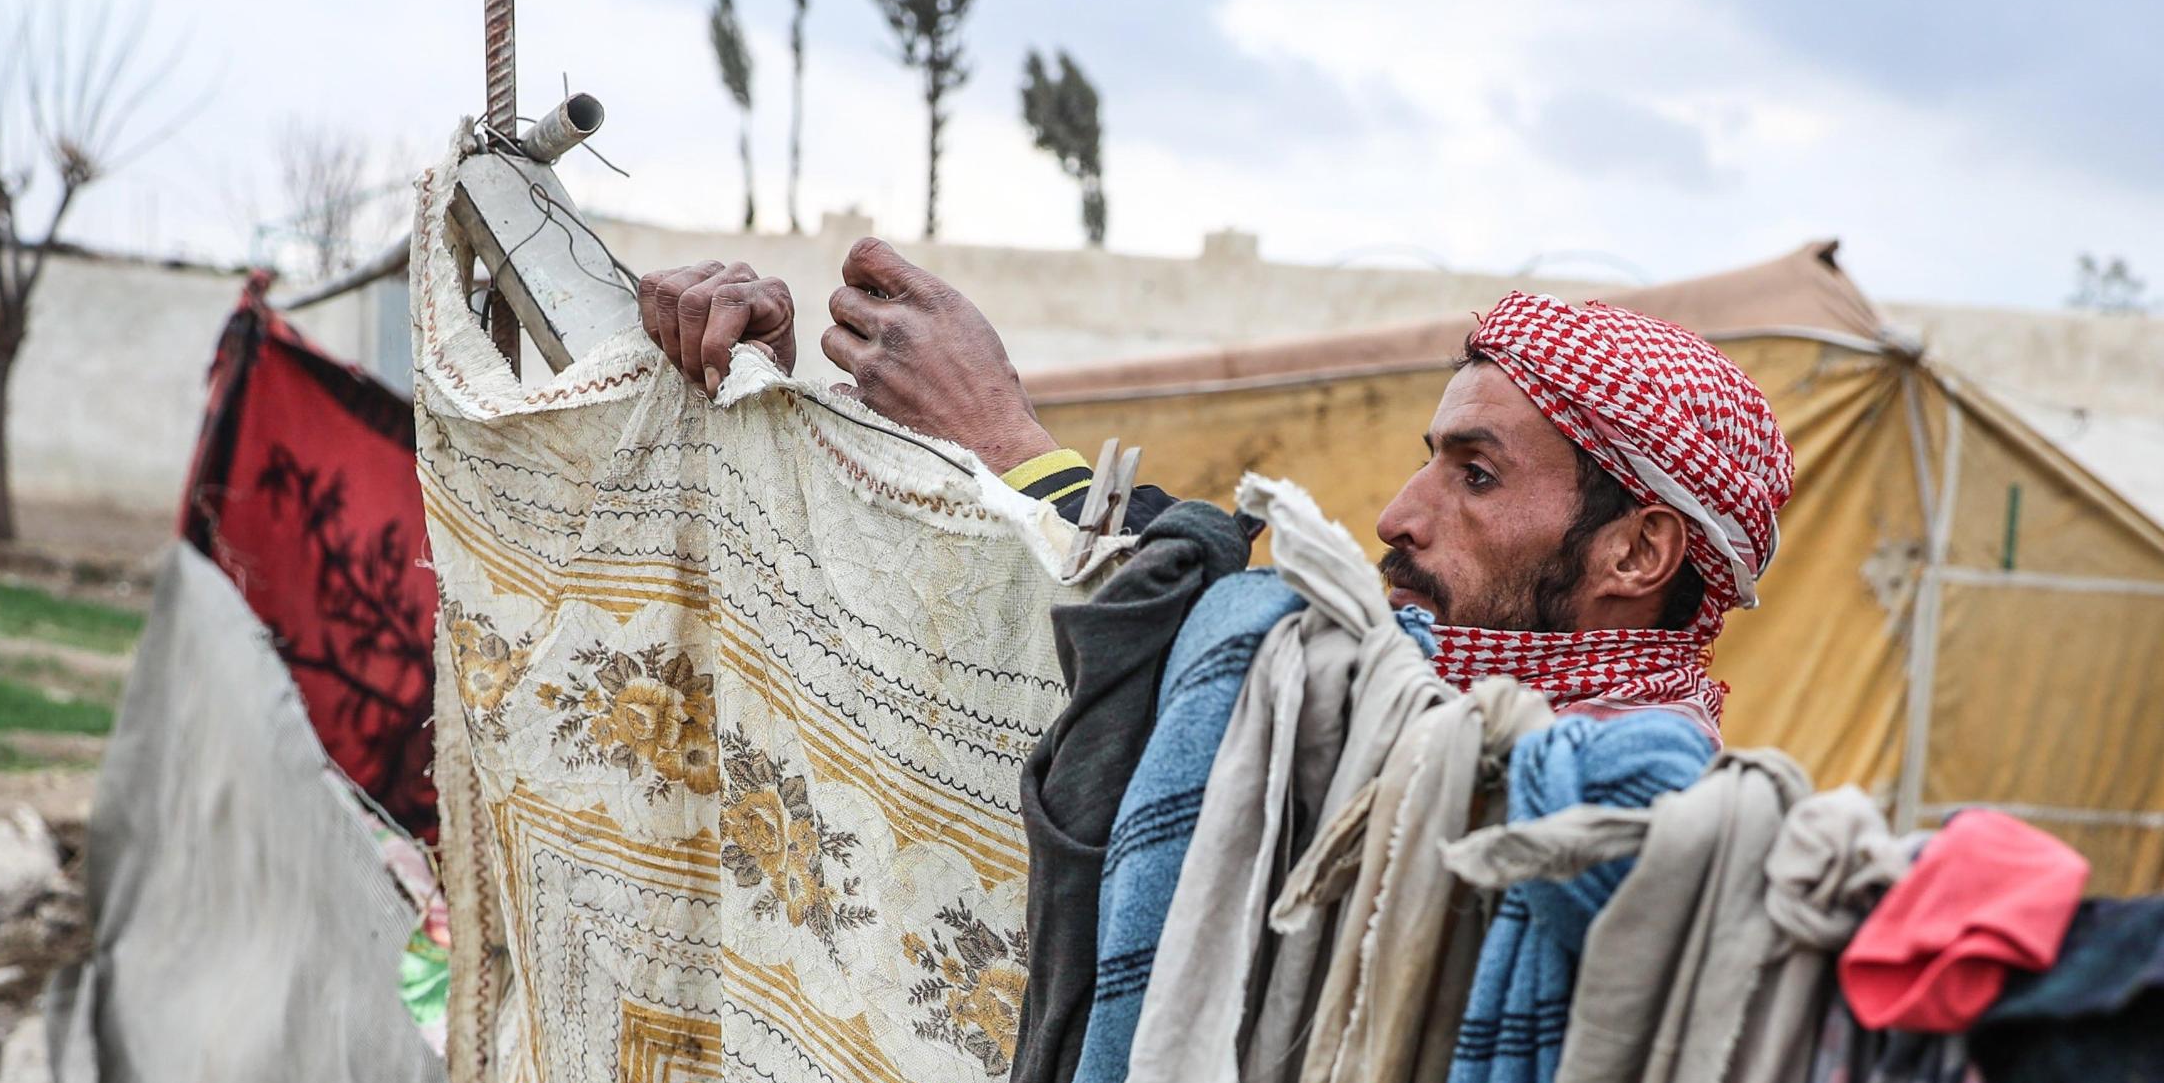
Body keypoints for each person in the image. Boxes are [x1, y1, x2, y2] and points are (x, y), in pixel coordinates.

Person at [634, 240, 1796, 732]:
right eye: (1430, 457)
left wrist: (1004, 435)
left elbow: (1198, 675)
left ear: (1636, 554)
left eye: (1477, 475)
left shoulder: (1610, 818)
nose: (1397, 517)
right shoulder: (1381, 697)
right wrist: (773, 422)